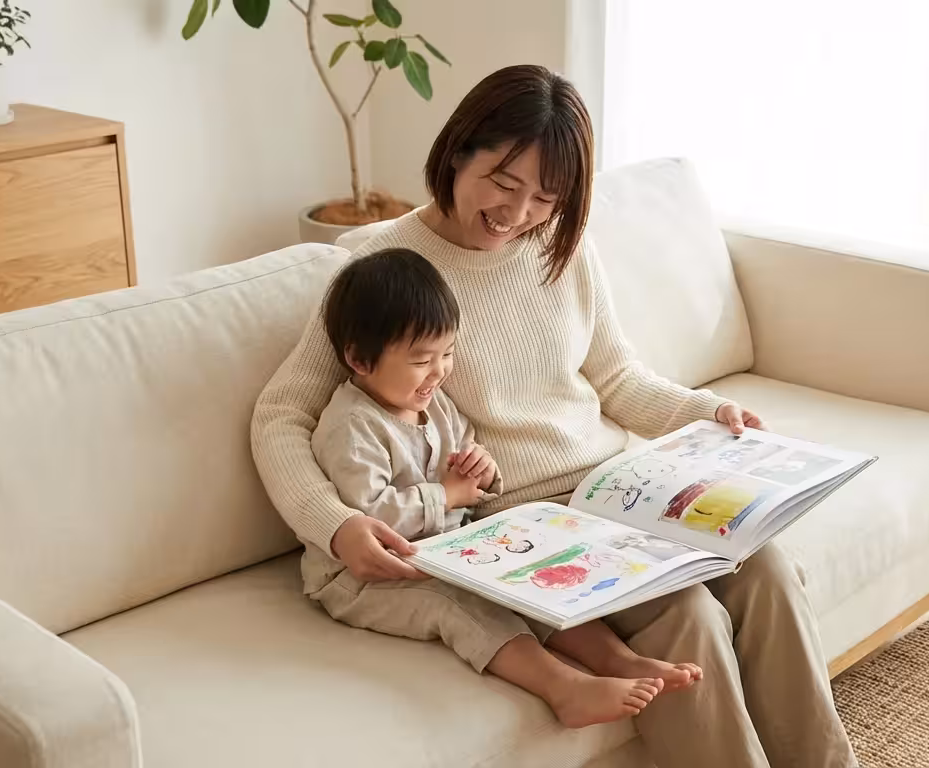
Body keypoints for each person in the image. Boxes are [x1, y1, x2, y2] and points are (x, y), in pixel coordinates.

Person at [253, 64, 857, 768]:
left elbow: (618, 378)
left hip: (622, 486)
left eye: (546, 196)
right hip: (521, 521)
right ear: (457, 152)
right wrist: (335, 524)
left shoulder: (562, 248)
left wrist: (709, 412)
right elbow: (281, 415)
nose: (518, 213)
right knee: (686, 616)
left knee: (769, 569)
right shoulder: (382, 267)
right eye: (504, 184)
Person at [306, 247, 702, 728]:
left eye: (447, 354)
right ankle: (565, 688)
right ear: (359, 359)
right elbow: (369, 518)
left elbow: (469, 456)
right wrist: (447, 495)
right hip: (365, 578)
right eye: (421, 359)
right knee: (461, 603)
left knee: (524, 581)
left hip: (444, 549)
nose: (438, 371)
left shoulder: (431, 402)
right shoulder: (352, 426)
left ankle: (620, 660)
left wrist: (481, 469)